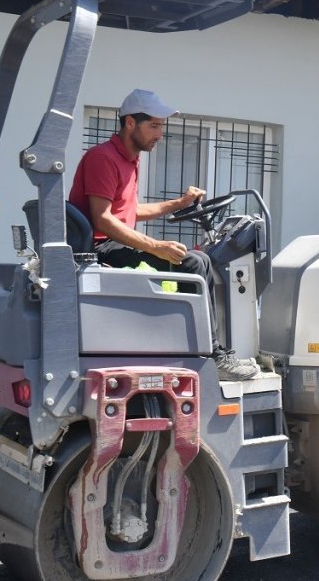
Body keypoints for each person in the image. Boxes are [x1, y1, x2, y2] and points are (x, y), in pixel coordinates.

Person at [69, 89, 262, 381]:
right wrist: (156, 246)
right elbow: (104, 219)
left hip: (110, 243)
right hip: (99, 250)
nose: (160, 134)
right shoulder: (103, 158)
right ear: (131, 123)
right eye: (154, 126)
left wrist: (179, 204)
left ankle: (193, 345)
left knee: (194, 258)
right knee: (195, 263)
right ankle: (210, 355)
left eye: (162, 126)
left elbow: (129, 211)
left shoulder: (129, 158)